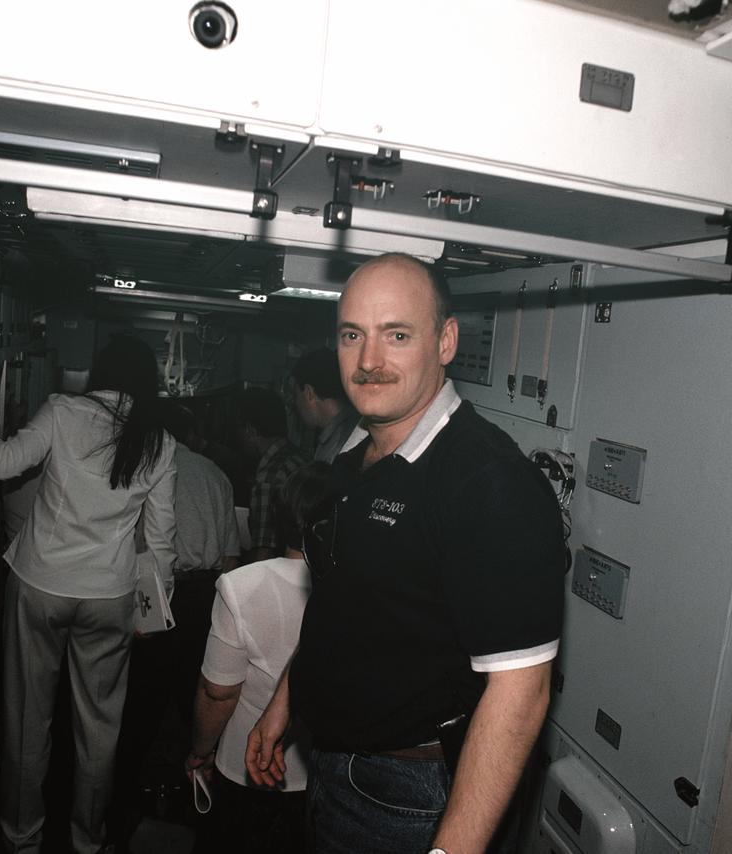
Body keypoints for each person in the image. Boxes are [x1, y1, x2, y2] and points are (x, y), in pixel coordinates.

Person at [246, 254, 566, 854]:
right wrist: (282, 704)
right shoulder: (354, 456)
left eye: (396, 335)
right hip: (334, 763)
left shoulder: (486, 481)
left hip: (408, 793)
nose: (369, 361)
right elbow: (342, 606)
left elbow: (521, 694)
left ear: (445, 341)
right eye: (352, 336)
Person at [0, 335, 178, 854]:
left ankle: (21, 837)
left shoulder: (63, 411)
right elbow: (162, 542)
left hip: (41, 585)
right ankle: (87, 841)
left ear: (101, 370)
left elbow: (5, 463)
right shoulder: (159, 440)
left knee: (29, 718)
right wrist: (152, 611)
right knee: (99, 729)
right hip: (110, 595)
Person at [185, 462, 333, 854]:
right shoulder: (354, 587)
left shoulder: (240, 586)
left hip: (244, 767)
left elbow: (218, 692)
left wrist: (200, 752)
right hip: (325, 774)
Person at [112, 401, 241, 849]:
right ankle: (196, 803)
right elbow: (229, 557)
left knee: (141, 701)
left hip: (152, 591)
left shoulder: (137, 466)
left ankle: (125, 803)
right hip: (206, 595)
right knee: (196, 702)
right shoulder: (213, 473)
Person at [236, 386, 306, 562]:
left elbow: (264, 550)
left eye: (239, 430)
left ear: (250, 430)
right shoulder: (297, 458)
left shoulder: (269, 475)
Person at [291, 348, 358, 463]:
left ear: (308, 392)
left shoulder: (337, 445)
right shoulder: (353, 429)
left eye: (296, 395)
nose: (295, 403)